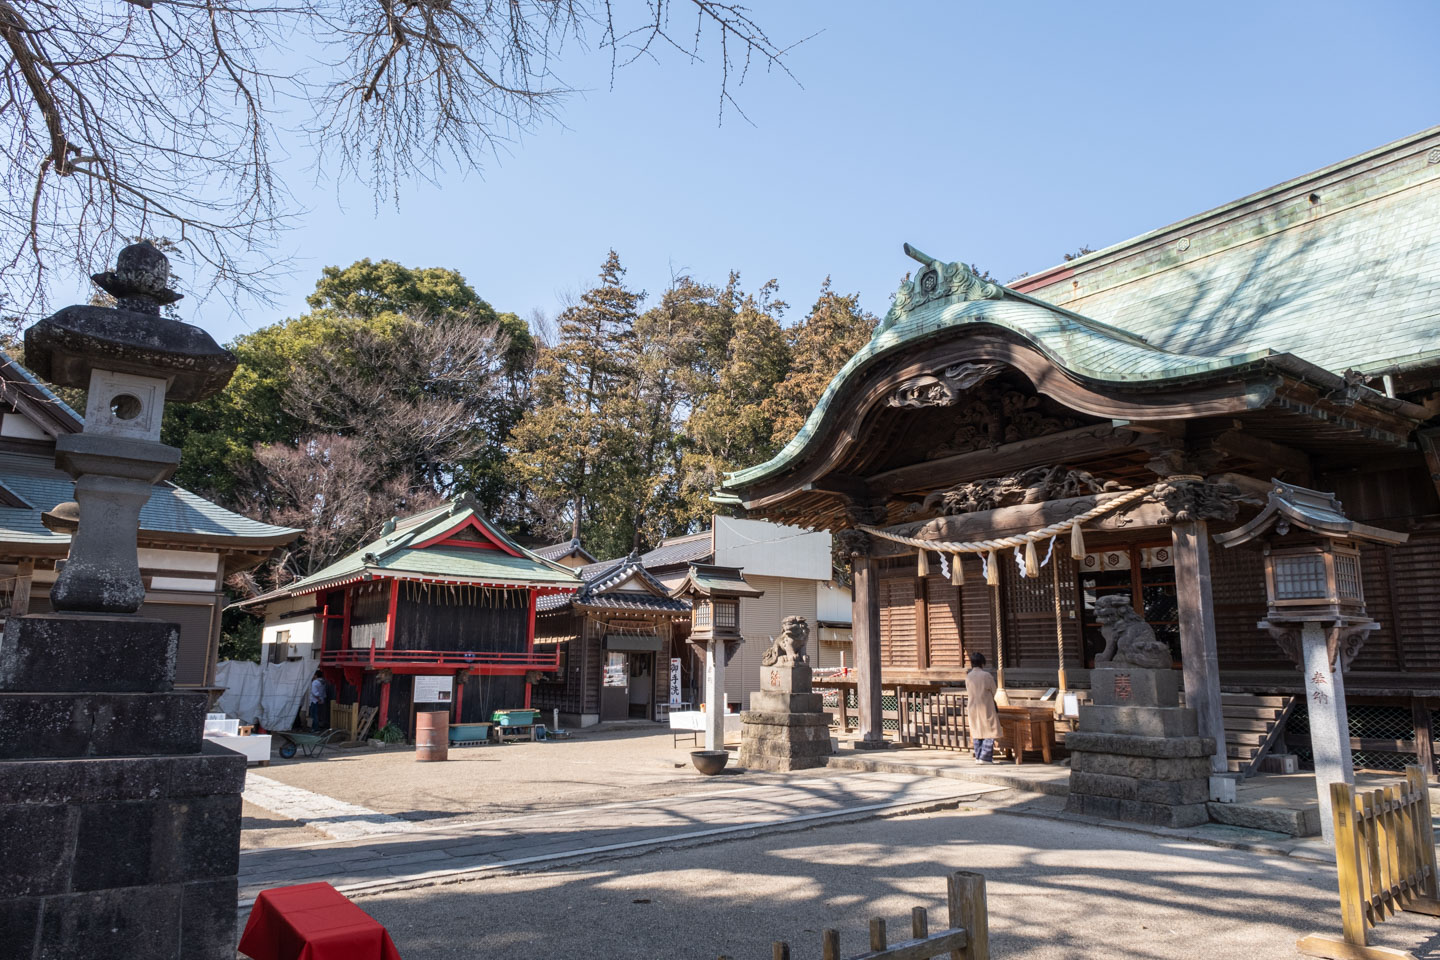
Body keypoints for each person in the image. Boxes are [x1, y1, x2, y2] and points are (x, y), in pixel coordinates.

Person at [965, 652, 999, 763]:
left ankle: (978, 756)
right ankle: (985, 756)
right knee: (989, 730)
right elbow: (995, 691)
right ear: (982, 663)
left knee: (977, 731)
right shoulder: (986, 675)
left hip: (973, 706)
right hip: (985, 705)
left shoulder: (968, 676)